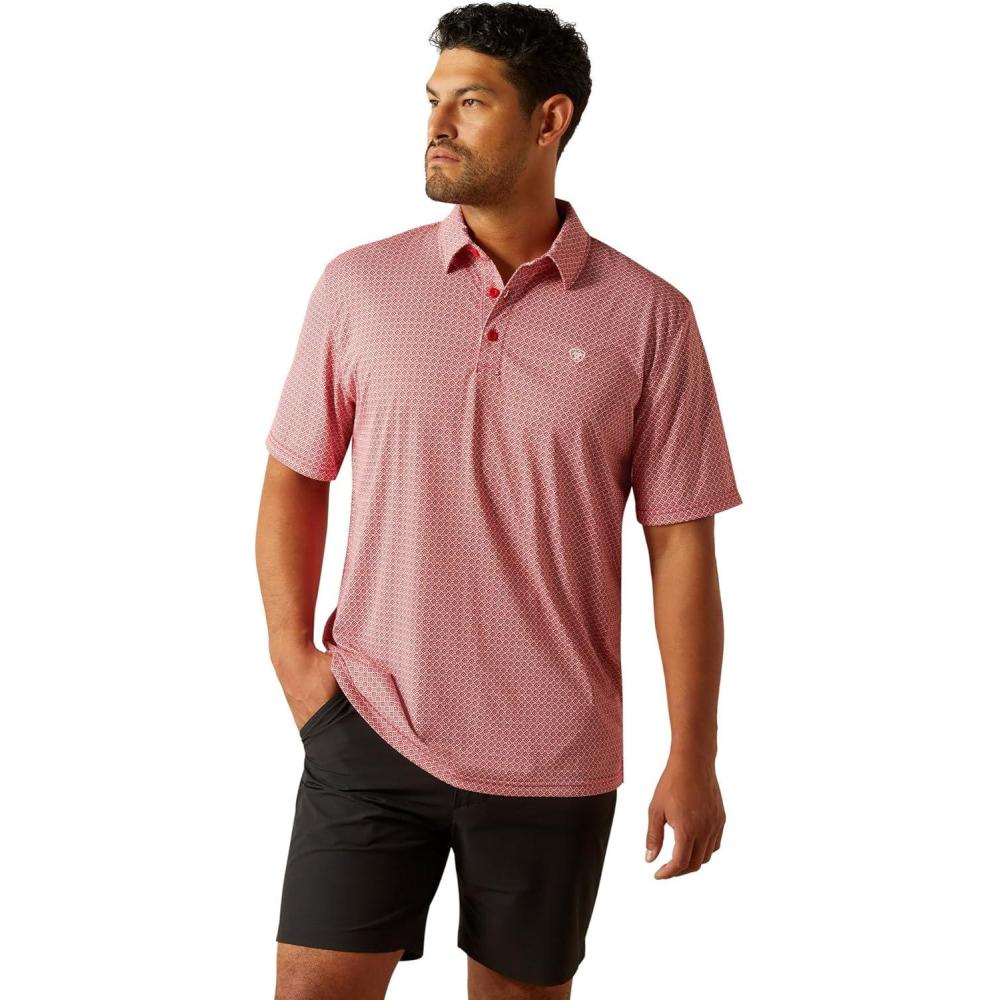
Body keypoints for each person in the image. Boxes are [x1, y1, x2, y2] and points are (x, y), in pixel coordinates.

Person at [256, 4, 742, 998]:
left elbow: (681, 545)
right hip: (370, 721)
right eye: (434, 100)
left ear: (549, 119)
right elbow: (296, 475)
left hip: (556, 751)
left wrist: (692, 753)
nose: (437, 124)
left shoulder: (650, 317)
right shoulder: (359, 285)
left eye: (470, 102)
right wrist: (296, 665)